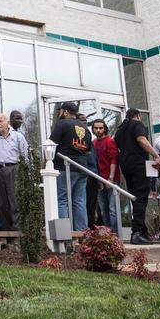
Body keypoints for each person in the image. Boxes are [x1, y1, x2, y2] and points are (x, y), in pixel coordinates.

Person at [114, 108, 160, 245]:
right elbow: (141, 140)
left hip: (125, 164)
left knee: (135, 197)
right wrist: (156, 155)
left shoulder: (120, 130)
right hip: (138, 163)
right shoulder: (137, 124)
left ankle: (142, 230)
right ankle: (137, 233)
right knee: (141, 196)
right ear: (138, 116)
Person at [47, 101, 93, 231]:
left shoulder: (62, 124)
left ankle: (64, 234)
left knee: (62, 200)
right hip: (82, 168)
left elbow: (51, 146)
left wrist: (46, 164)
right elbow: (88, 150)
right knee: (79, 201)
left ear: (66, 112)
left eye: (61, 111)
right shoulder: (85, 129)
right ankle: (82, 234)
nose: (60, 113)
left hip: (65, 167)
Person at [0, 112, 28, 231]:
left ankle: (17, 228)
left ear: (7, 123)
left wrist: (28, 174)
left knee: (14, 199)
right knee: (1, 202)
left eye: (0, 121)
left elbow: (26, 156)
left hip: (13, 169)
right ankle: (7, 228)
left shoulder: (18, 136)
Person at [92, 118, 121, 235]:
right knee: (103, 210)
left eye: (100, 128)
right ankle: (108, 234)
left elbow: (114, 160)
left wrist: (111, 178)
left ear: (104, 129)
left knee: (113, 209)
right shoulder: (93, 143)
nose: (98, 130)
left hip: (111, 179)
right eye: (96, 128)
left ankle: (115, 234)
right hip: (99, 180)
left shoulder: (109, 141)